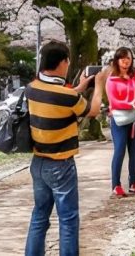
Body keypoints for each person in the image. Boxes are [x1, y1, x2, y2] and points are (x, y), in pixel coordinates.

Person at [25, 41, 104, 256]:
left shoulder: (32, 88)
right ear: (62, 62)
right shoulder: (66, 96)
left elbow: (57, 98)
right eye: (67, 61)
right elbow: (92, 110)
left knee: (39, 217)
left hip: (38, 162)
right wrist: (99, 85)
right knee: (68, 220)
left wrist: (79, 87)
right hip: (61, 164)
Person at [105, 47, 135, 198]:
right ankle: (116, 185)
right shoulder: (112, 79)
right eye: (122, 58)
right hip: (119, 119)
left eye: (128, 58)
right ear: (117, 60)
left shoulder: (134, 76)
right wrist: (128, 104)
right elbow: (113, 101)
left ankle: (134, 182)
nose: (126, 61)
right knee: (119, 150)